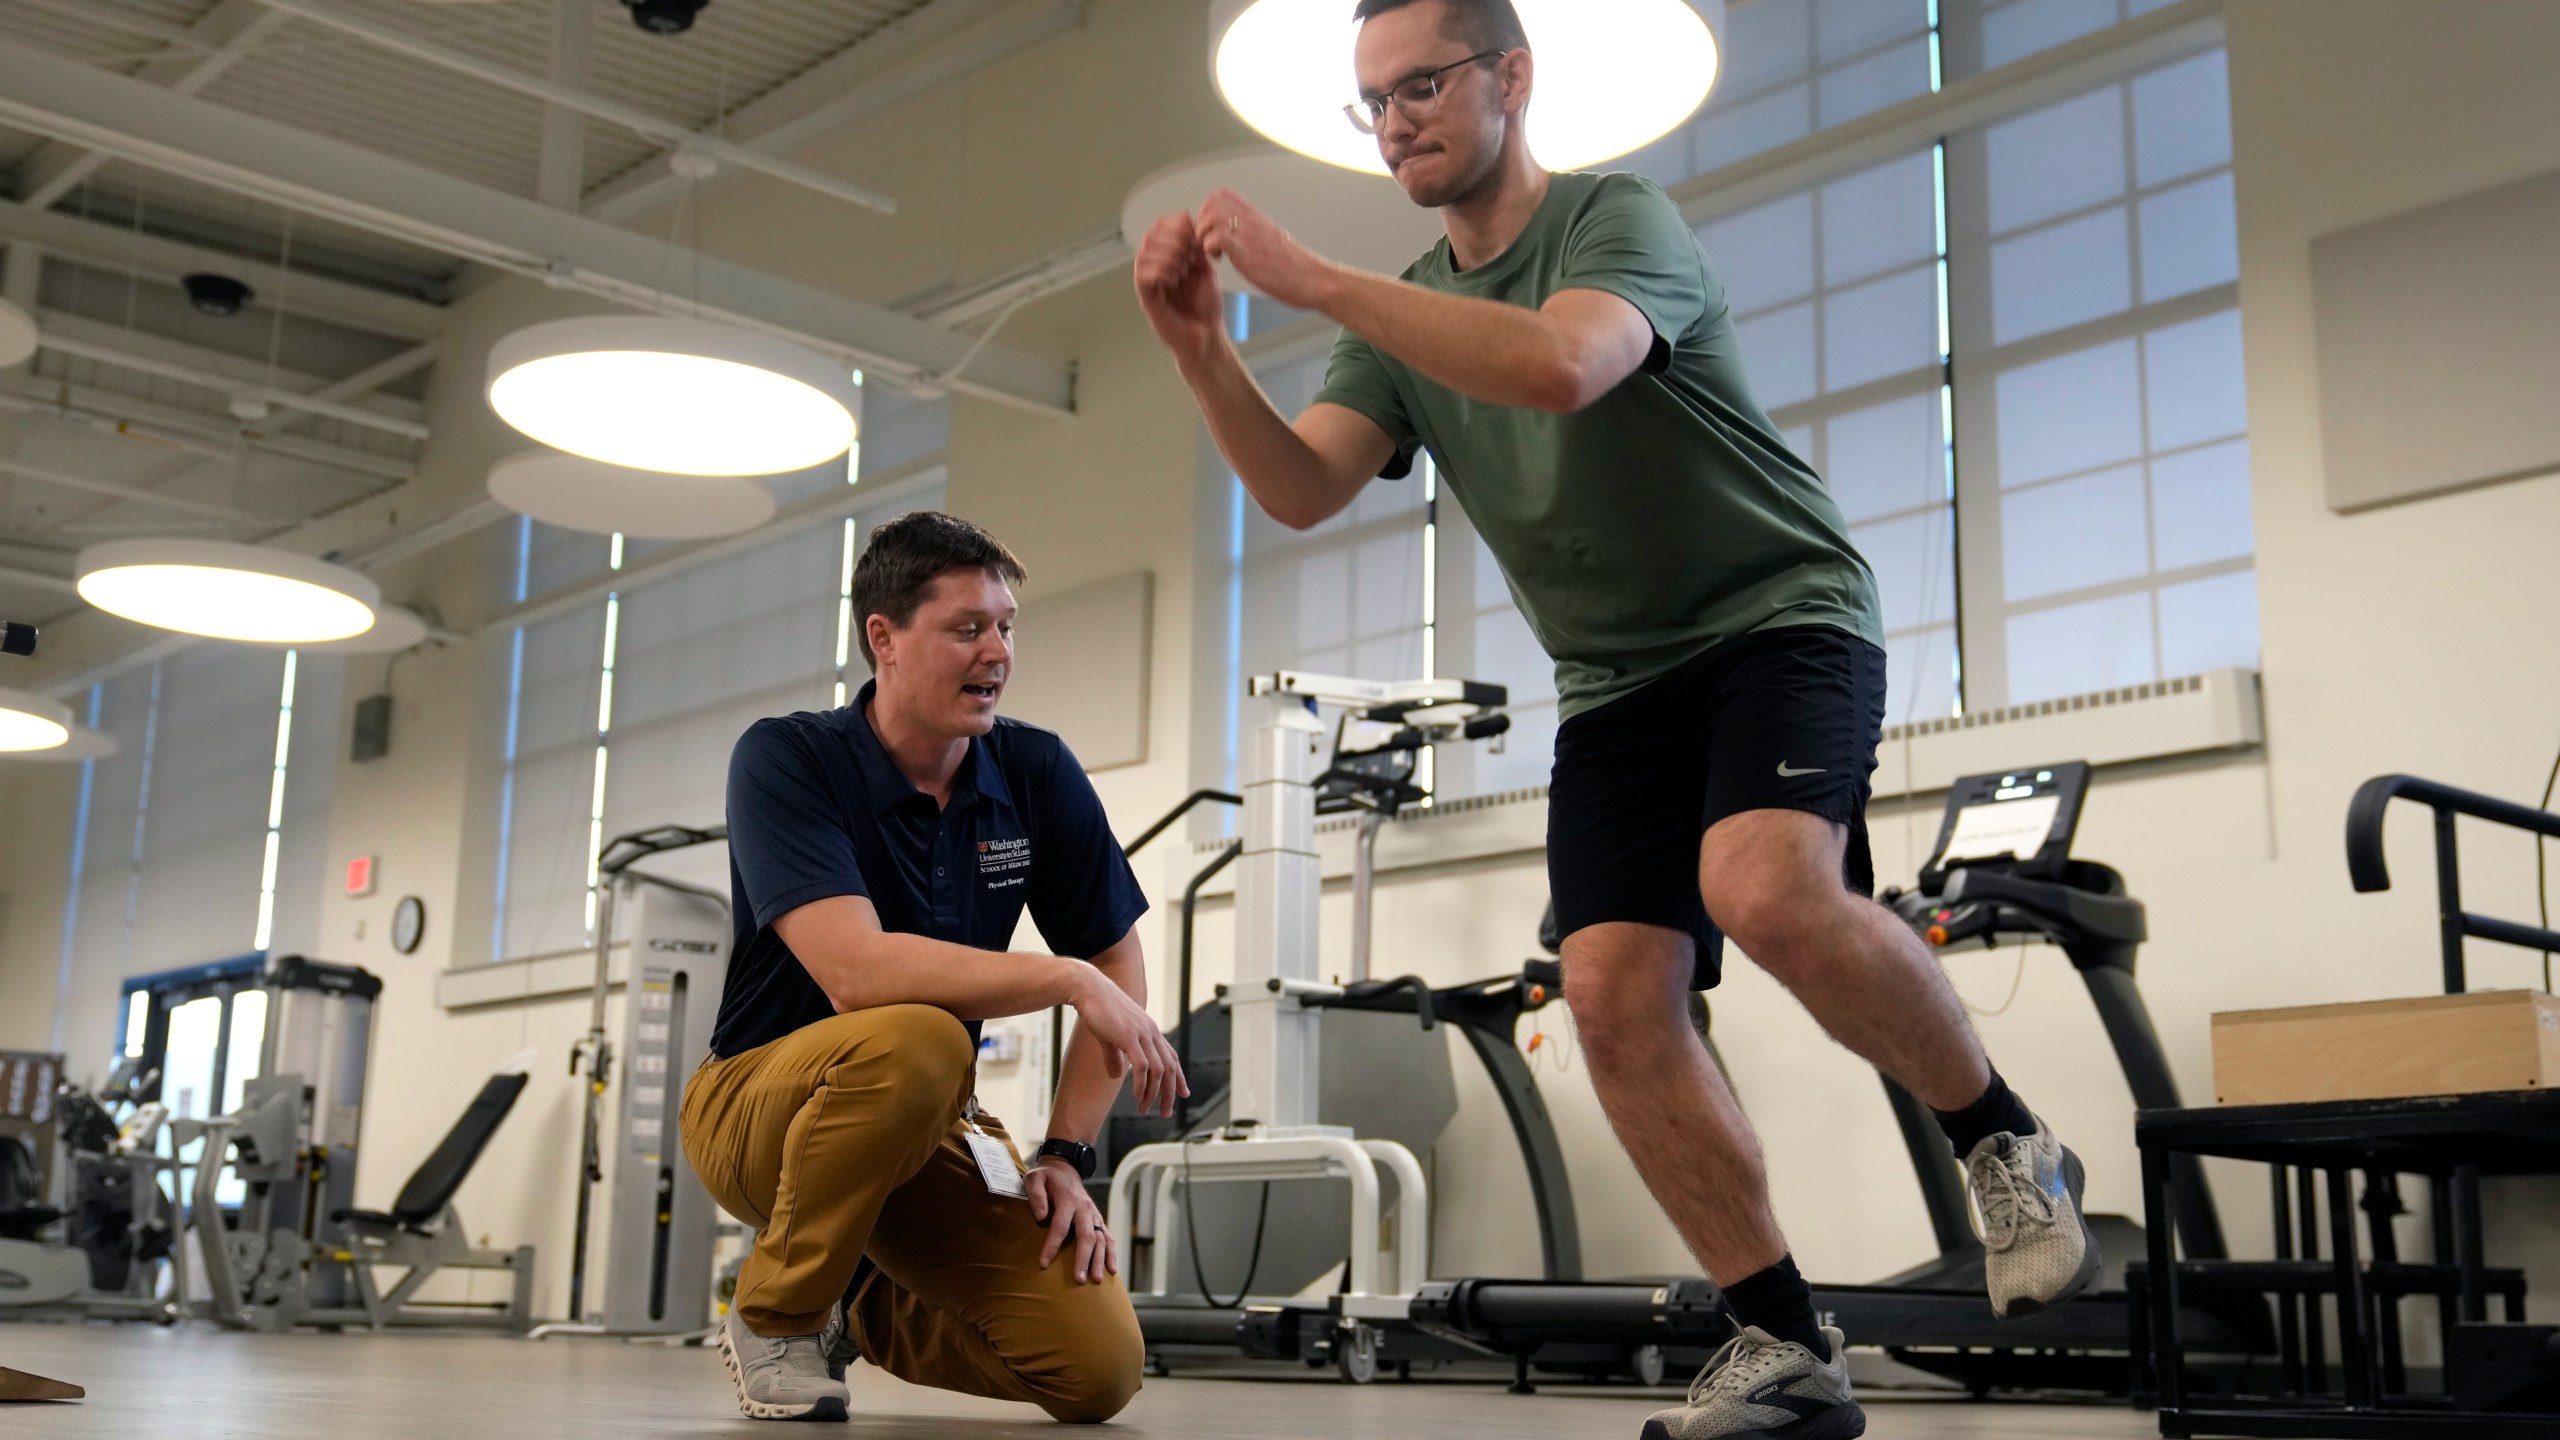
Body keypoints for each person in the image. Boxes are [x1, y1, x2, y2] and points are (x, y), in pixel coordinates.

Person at [1134, 2, 2100, 1435]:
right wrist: (1201, 345)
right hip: (1615, 683)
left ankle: (2006, 1143)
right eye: (1373, 103)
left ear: (1511, 78)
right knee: (1607, 997)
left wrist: (1318, 281)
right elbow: (1299, 487)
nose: (1397, 120)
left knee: (1763, 888)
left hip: (1779, 615)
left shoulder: (1613, 222)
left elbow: (1560, 366)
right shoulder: (1403, 315)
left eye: (1421, 86)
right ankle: (1785, 1345)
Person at [679, 511, 1187, 1424]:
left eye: (1006, 627)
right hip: (755, 1105)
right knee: (917, 1038)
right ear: (885, 638)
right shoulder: (786, 758)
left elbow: (1116, 953)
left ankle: (856, 1312)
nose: (996, 650)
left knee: (1097, 1370)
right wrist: (1067, 980)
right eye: (967, 628)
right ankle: (777, 1315)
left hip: (929, 1115)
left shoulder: (1033, 771)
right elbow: (858, 974)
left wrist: (1066, 1155)